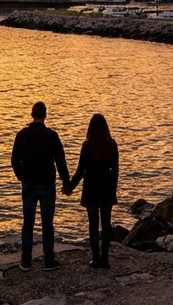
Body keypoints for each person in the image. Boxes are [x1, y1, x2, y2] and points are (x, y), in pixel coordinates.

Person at [11, 101, 70, 270]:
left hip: (29, 184)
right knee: (47, 223)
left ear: (32, 114)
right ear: (45, 115)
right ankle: (49, 260)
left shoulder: (22, 135)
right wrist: (66, 183)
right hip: (47, 185)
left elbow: (14, 160)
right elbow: (61, 162)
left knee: (28, 223)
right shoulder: (52, 136)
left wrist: (22, 176)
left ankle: (26, 260)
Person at [63, 113, 119, 269]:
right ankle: (105, 259)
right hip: (107, 189)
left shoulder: (87, 146)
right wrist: (113, 189)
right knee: (106, 224)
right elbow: (115, 171)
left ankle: (95, 259)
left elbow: (81, 170)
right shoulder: (112, 144)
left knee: (93, 224)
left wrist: (70, 187)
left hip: (92, 189)